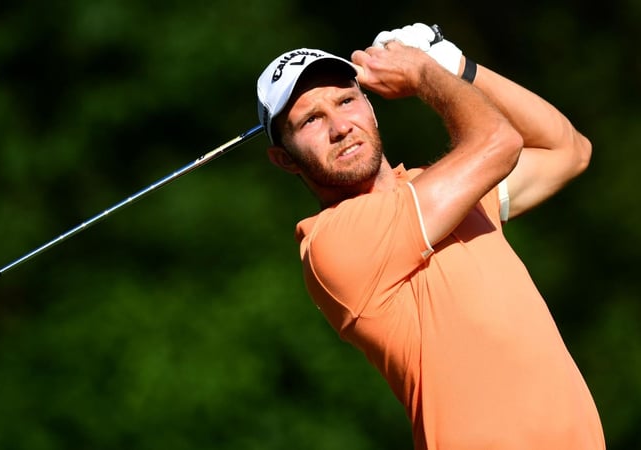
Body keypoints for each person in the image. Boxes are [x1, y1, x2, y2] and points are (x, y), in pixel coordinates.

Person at [256, 23, 605, 449]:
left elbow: (567, 151)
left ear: (371, 106)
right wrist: (426, 73)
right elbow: (499, 142)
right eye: (312, 119)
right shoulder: (331, 241)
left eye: (346, 100)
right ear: (284, 159)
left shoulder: (448, 188)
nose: (340, 126)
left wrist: (457, 65)